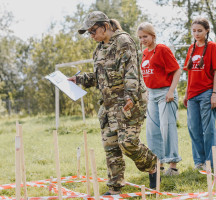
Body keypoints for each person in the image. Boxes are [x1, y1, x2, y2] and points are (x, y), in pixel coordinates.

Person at [68, 11, 158, 193]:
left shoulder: (123, 42)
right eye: (89, 33)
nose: (92, 36)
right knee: (111, 146)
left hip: (129, 101)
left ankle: (152, 164)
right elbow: (100, 76)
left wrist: (130, 97)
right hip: (109, 105)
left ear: (105, 26)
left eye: (93, 31)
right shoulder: (99, 49)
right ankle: (115, 187)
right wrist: (79, 80)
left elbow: (131, 72)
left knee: (128, 143)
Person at [137, 22, 182, 176]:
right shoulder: (144, 53)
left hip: (165, 93)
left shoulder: (162, 49)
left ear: (153, 35)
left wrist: (171, 91)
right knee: (152, 130)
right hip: (151, 94)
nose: (143, 39)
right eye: (141, 37)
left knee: (167, 127)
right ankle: (159, 164)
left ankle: (173, 165)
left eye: (145, 36)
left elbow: (177, 71)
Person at [183, 18, 216, 170]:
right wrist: (186, 94)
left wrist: (214, 94)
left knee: (209, 129)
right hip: (192, 95)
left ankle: (211, 162)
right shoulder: (191, 47)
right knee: (194, 129)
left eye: (200, 30)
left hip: (207, 92)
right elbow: (189, 74)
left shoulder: (212, 47)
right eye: (194, 31)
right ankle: (199, 161)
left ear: (206, 31)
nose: (196, 33)